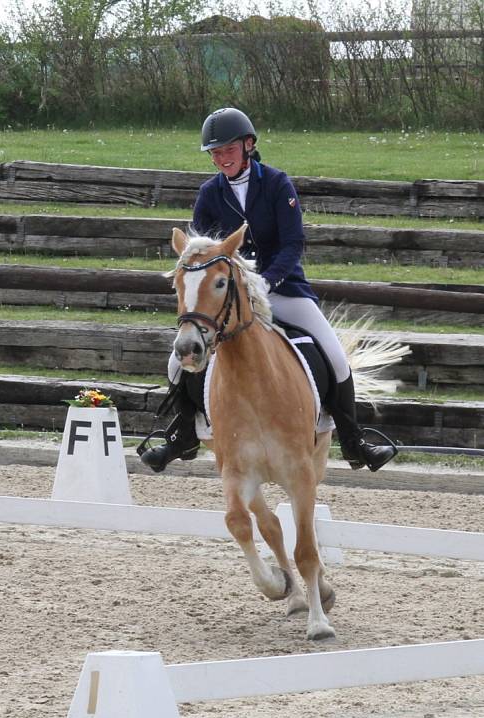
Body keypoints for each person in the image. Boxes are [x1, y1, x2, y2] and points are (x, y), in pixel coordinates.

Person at [140, 107, 397, 473]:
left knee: (337, 358)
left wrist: (268, 279)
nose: (220, 158)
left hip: (282, 289)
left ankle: (355, 443)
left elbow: (293, 243)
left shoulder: (277, 183)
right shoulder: (209, 193)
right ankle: (183, 434)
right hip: (230, 298)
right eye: (214, 153)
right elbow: (201, 251)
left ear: (249, 145)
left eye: (227, 150)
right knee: (176, 362)